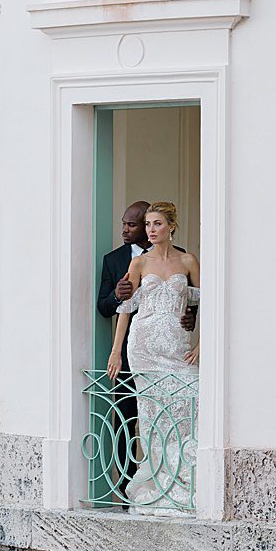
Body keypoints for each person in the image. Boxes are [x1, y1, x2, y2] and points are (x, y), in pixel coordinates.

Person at [95, 200, 197, 500]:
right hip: (143, 347)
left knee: (187, 406)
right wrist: (117, 351)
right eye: (148, 224)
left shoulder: (188, 260)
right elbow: (124, 308)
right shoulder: (134, 263)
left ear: (171, 226)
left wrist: (201, 340)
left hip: (177, 345)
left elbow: (205, 300)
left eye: (156, 224)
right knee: (150, 417)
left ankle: (183, 479)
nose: (150, 230)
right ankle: (150, 485)